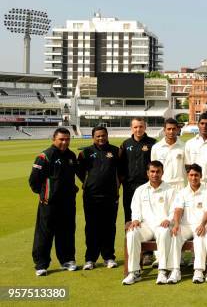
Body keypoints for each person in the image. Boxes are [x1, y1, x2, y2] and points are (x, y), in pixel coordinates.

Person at [29, 127, 79, 276]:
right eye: (61, 139)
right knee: (45, 233)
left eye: (67, 139)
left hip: (68, 202)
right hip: (49, 204)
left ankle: (67, 260)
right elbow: (34, 181)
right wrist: (45, 195)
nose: (64, 142)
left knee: (67, 232)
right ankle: (41, 264)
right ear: (54, 139)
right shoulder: (45, 156)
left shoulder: (71, 155)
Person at [122, 161, 174, 285]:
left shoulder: (170, 190)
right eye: (152, 171)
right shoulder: (140, 190)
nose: (155, 174)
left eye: (158, 172)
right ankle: (134, 272)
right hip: (145, 226)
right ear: (147, 173)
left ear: (162, 173)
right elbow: (135, 208)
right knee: (132, 233)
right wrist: (135, 220)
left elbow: (174, 209)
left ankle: (162, 271)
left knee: (164, 232)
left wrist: (168, 219)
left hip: (163, 225)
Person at [76, 126, 120, 270]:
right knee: (92, 227)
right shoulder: (85, 153)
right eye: (98, 136)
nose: (101, 138)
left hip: (111, 195)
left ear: (107, 136)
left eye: (103, 135)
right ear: (93, 137)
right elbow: (80, 171)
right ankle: (90, 259)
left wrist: (116, 185)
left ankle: (108, 257)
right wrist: (88, 183)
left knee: (109, 227)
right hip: (91, 196)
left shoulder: (115, 151)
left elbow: (121, 171)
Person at [167, 164, 207, 284]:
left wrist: (203, 224)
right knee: (175, 234)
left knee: (199, 237)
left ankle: (198, 271)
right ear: (187, 176)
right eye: (191, 175)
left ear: (201, 176)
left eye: (196, 175)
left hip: (200, 224)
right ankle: (175, 270)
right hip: (185, 225)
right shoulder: (182, 192)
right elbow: (178, 209)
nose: (194, 178)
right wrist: (177, 224)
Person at [119, 117, 156, 223]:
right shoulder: (125, 144)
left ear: (145, 127)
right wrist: (123, 180)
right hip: (129, 186)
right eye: (135, 127)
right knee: (129, 216)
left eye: (141, 127)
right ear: (131, 128)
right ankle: (129, 238)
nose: (138, 129)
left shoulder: (153, 143)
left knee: (148, 216)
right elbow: (120, 165)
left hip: (147, 185)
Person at [151, 118, 187, 193]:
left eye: (174, 129)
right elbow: (153, 168)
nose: (171, 131)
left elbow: (188, 167)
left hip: (180, 185)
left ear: (177, 130)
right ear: (164, 130)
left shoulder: (184, 146)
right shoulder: (156, 147)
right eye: (169, 129)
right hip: (162, 183)